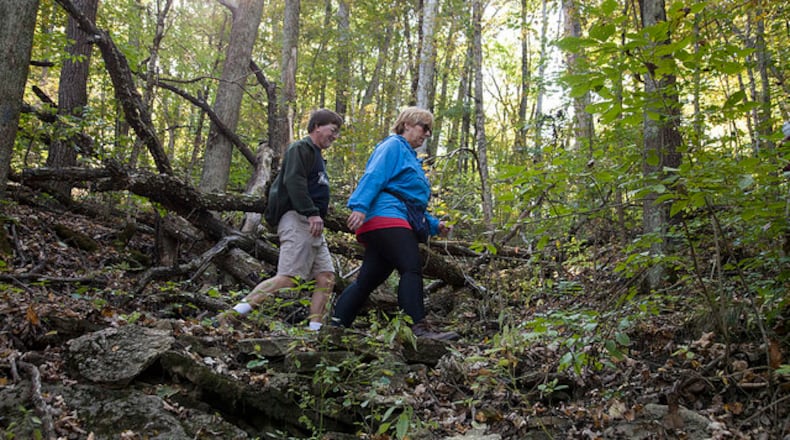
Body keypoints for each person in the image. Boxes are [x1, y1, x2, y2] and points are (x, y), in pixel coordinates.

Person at [331, 107, 458, 340]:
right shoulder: (392, 146)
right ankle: (417, 329)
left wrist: (433, 224)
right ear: (407, 124)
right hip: (385, 217)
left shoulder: (411, 157)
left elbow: (410, 201)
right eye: (424, 127)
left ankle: (336, 326)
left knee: (368, 280)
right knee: (410, 267)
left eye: (430, 130)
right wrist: (360, 206)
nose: (427, 134)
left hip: (391, 218)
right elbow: (374, 175)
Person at [219, 108, 344, 331]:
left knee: (325, 277)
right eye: (332, 130)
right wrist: (311, 212)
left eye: (337, 133)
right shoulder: (301, 148)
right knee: (287, 279)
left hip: (313, 224)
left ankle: (313, 332)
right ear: (316, 127)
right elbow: (294, 181)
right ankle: (231, 315)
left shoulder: (317, 156)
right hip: (298, 219)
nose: (334, 136)